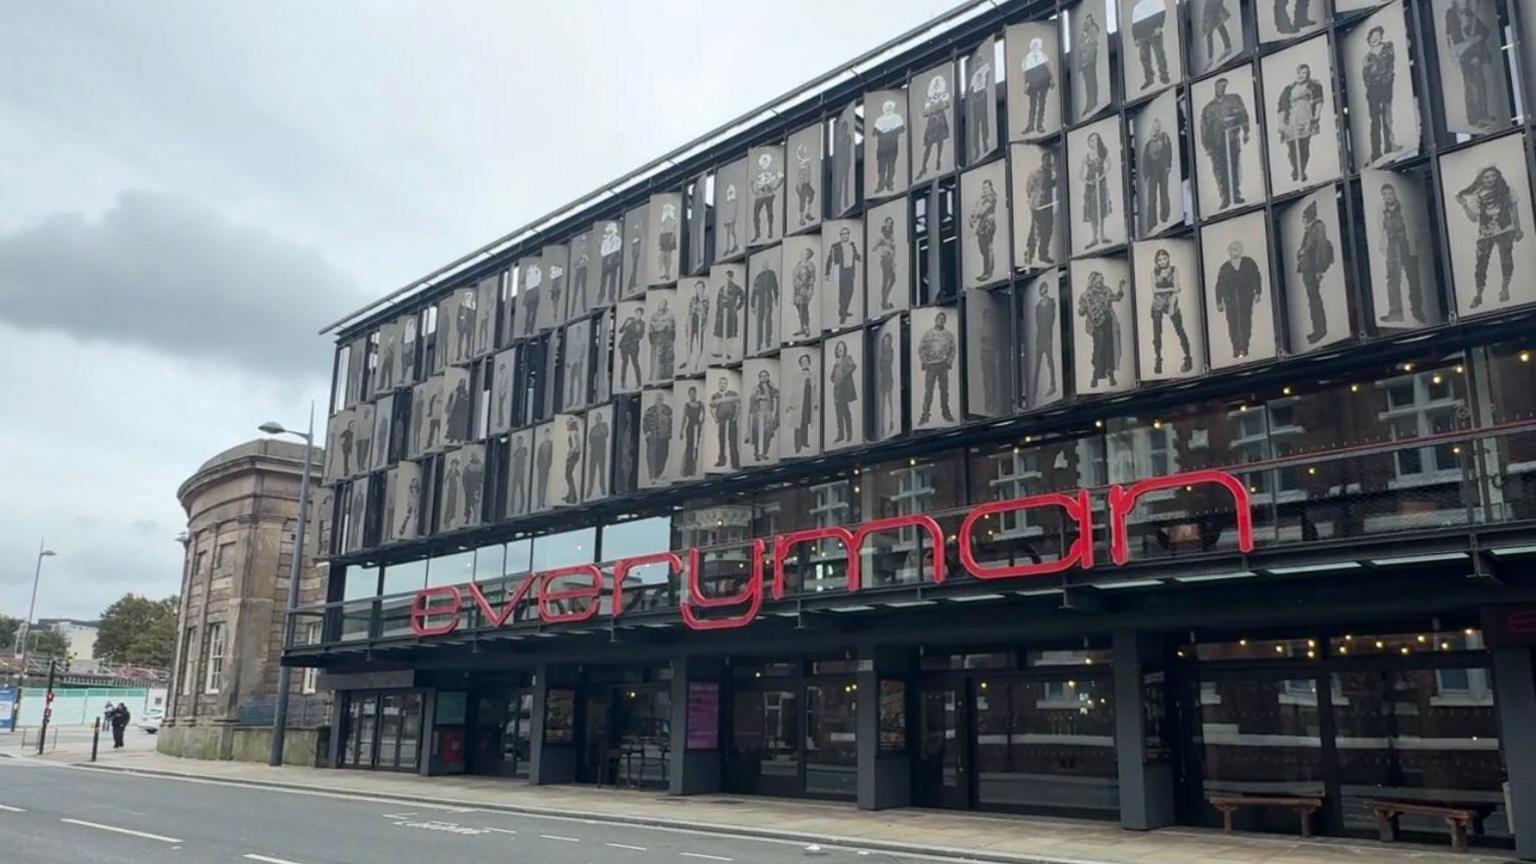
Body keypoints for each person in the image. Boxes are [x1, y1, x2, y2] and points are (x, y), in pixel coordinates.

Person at [1456, 165, 1523, 308]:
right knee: (1481, 265)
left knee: (1506, 260)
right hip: (1486, 234)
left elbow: (1514, 212)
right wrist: (1464, 206)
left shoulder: (1507, 190)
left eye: (1493, 175)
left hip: (1505, 230)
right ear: (1481, 179)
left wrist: (1518, 229)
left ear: (1497, 176)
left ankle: (1505, 289)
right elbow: (1474, 218)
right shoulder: (1477, 196)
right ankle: (1479, 295)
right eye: (1487, 177)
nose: (1490, 179)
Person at [1201, 77, 1251, 210]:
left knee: (1233, 168)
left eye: (1224, 86)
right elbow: (1204, 129)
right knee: (1220, 171)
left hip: (1232, 139)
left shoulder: (1234, 99)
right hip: (1217, 144)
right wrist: (1207, 147)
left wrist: (1246, 132)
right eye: (1219, 86)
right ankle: (1225, 198)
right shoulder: (1208, 108)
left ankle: (1235, 194)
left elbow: (1243, 115)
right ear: (1215, 88)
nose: (1222, 89)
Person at [1377, 182, 1424, 323]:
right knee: (1392, 279)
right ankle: (1396, 312)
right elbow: (1380, 228)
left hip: (1406, 244)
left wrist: (1415, 242)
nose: (1387, 196)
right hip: (1392, 245)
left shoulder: (1404, 207)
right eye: (1384, 194)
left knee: (1413, 278)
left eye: (1389, 193)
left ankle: (1417, 310)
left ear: (1394, 194)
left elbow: (1414, 225)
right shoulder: (1382, 210)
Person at [1447, 0, 1496, 129]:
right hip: (1464, 53)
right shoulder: (1451, 14)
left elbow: (1484, 30)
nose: (1463, 2)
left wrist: (1477, 37)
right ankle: (1475, 117)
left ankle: (1483, 113)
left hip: (1474, 52)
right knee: (1471, 85)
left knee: (1480, 83)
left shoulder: (1469, 13)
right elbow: (1452, 35)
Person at [1214, 240, 1263, 358]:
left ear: (1241, 250)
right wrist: (1219, 302)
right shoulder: (1224, 267)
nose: (1233, 252)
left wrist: (1257, 292)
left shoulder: (1248, 262)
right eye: (1230, 250)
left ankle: (1245, 346)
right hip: (1230, 300)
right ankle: (1236, 348)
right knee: (1232, 324)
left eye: (1235, 249)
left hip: (1245, 297)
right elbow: (1219, 285)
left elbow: (1256, 276)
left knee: (1245, 322)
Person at [1148, 248, 1194, 375]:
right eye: (1159, 259)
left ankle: (1188, 358)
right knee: (1157, 333)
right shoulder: (1153, 272)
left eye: (1164, 258)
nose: (1162, 261)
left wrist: (1172, 305)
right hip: (1157, 303)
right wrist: (1172, 288)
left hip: (1171, 301)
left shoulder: (1174, 270)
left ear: (1168, 258)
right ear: (1156, 261)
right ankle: (1158, 359)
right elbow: (1154, 290)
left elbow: (1177, 289)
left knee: (1180, 329)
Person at [1076, 271, 1126, 388]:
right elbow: (1081, 312)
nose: (1100, 282)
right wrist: (1082, 309)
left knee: (1109, 349)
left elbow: (1117, 298)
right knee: (1098, 350)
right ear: (1092, 281)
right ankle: (1095, 376)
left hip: (1107, 322)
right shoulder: (1086, 295)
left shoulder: (1106, 291)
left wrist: (1120, 287)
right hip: (1096, 325)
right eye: (1098, 280)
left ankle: (1111, 374)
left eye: (1101, 280)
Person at [1295, 201, 1336, 344]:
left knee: (1314, 300)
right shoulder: (1311, 229)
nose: (1302, 221)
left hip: (1312, 269)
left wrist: (1319, 269)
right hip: (1309, 269)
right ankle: (1318, 329)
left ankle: (1320, 330)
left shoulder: (1317, 228)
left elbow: (1320, 249)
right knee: (1313, 300)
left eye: (1304, 217)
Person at [1277, 64, 1324, 183]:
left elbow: (1319, 101)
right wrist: (1281, 123)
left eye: (1304, 73)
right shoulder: (1288, 89)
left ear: (1308, 74)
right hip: (1291, 121)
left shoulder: (1314, 86)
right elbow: (1281, 107)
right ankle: (1296, 169)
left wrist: (1317, 115)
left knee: (1304, 147)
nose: (1301, 75)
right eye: (1299, 72)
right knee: (1292, 148)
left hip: (1306, 119)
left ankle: (1301, 171)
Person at [1362, 26, 1396, 164]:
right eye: (1372, 36)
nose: (1374, 38)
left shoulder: (1388, 48)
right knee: (1375, 120)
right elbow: (1365, 76)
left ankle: (1389, 146)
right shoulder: (1367, 57)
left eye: (1377, 35)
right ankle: (1376, 151)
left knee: (1387, 117)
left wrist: (1386, 81)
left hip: (1385, 86)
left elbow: (1390, 67)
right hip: (1373, 90)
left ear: (1381, 36)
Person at [918, 312, 957, 424]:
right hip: (931, 366)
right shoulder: (928, 334)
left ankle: (946, 413)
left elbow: (953, 349)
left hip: (942, 365)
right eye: (939, 319)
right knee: (929, 391)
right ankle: (925, 414)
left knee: (944, 390)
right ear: (936, 320)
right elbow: (921, 348)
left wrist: (948, 362)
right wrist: (925, 361)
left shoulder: (949, 335)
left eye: (943, 319)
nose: (941, 321)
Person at [1024, 150, 1058, 266]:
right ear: (1043, 160)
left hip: (1049, 205)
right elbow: (1028, 188)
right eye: (1047, 160)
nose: (1049, 162)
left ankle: (1043, 255)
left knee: (1048, 230)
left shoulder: (1052, 173)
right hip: (1038, 206)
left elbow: (1054, 186)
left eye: (1051, 161)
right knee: (1035, 230)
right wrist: (1032, 201)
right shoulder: (1034, 173)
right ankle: (1029, 254)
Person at [915, 73, 952, 180]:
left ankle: (938, 160)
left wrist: (936, 106)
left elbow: (947, 104)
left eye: (937, 84)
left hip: (940, 119)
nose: (936, 86)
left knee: (940, 142)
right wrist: (935, 106)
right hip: (932, 121)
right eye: (934, 84)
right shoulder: (929, 98)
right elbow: (925, 112)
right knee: (929, 145)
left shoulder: (943, 94)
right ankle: (924, 166)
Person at [1141, 117, 1174, 233]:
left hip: (1163, 169)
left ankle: (1165, 216)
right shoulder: (1148, 144)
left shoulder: (1165, 138)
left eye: (1158, 126)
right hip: (1152, 171)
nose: (1156, 129)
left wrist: (1168, 165)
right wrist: (1147, 176)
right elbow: (1144, 161)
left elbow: (1169, 151)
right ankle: (1151, 222)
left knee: (1164, 193)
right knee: (1151, 198)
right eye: (1154, 127)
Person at [1080, 131, 1112, 249]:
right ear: (1089, 142)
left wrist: (1102, 177)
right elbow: (1080, 175)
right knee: (1093, 211)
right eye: (1092, 140)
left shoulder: (1103, 152)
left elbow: (1110, 165)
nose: (1094, 142)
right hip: (1091, 186)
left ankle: (1102, 235)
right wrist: (1088, 181)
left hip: (1101, 184)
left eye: (1096, 139)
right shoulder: (1086, 156)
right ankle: (1094, 237)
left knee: (1102, 209)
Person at [825, 226, 862, 324]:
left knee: (850, 291)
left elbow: (856, 255)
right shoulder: (835, 246)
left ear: (848, 235)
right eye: (843, 234)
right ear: (840, 236)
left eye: (846, 233)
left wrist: (863, 258)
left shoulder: (852, 245)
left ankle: (844, 310)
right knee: (842, 293)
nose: (845, 235)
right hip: (841, 271)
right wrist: (827, 273)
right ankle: (842, 314)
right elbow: (829, 259)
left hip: (850, 271)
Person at [1130, 0, 1170, 91]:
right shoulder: (1137, 7)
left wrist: (1159, 26)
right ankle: (1149, 79)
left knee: (1159, 55)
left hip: (1154, 33)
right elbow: (1134, 24)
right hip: (1142, 36)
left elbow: (1162, 12)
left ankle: (1164, 76)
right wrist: (1135, 38)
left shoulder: (1156, 1)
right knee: (1144, 59)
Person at [1021, 37, 1054, 135]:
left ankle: (1039, 125)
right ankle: (1030, 126)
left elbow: (1048, 68)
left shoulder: (1043, 56)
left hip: (1044, 81)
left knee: (1042, 103)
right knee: (1033, 105)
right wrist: (1026, 84)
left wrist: (1052, 79)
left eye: (1037, 44)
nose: (1035, 46)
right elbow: (1025, 72)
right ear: (1031, 46)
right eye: (1033, 44)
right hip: (1033, 83)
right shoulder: (1027, 58)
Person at [872, 100, 906, 194]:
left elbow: (902, 128)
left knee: (891, 167)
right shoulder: (880, 120)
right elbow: (874, 132)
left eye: (890, 107)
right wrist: (881, 131)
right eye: (887, 108)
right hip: (882, 148)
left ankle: (889, 184)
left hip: (892, 147)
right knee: (881, 168)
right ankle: (880, 185)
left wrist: (892, 131)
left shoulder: (897, 117)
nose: (888, 109)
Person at [829, 340, 858, 443]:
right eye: (838, 348)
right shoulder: (836, 362)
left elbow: (853, 367)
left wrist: (843, 374)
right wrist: (837, 377)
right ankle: (840, 435)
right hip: (837, 391)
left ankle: (849, 434)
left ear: (844, 349)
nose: (840, 349)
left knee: (846, 413)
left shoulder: (847, 359)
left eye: (842, 347)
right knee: (838, 414)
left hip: (845, 390)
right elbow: (831, 377)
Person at [750, 153, 784, 243]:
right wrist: (754, 191)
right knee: (755, 215)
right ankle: (757, 233)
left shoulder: (773, 170)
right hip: (760, 195)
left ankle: (770, 231)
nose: (765, 162)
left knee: (769, 213)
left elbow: (782, 177)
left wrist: (775, 187)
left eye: (766, 161)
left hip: (769, 194)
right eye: (763, 161)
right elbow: (751, 182)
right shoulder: (757, 171)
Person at [747, 369, 779, 460]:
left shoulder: (771, 388)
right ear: (759, 378)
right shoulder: (756, 388)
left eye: (765, 376)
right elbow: (752, 399)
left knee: (767, 434)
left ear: (768, 377)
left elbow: (776, 397)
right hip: (759, 413)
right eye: (762, 376)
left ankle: (764, 452)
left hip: (768, 413)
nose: (764, 377)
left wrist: (774, 413)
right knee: (758, 433)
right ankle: (757, 453)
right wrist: (759, 397)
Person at [709, 377, 741, 468]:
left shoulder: (732, 394)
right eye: (721, 383)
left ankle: (735, 463)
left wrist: (735, 417)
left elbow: (738, 405)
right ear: (718, 385)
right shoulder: (715, 396)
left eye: (724, 383)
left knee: (733, 440)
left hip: (731, 419)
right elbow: (712, 408)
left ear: (726, 384)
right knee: (722, 440)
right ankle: (722, 460)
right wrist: (715, 418)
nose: (722, 385)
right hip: (721, 420)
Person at [713, 269, 746, 355]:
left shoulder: (736, 287)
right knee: (719, 333)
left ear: (732, 277)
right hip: (721, 314)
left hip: (731, 314)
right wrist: (718, 313)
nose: (727, 278)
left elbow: (743, 297)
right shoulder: (722, 288)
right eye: (726, 276)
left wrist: (737, 307)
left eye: (729, 277)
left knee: (730, 333)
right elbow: (718, 301)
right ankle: (719, 352)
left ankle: (728, 353)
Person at [643, 392, 674, 481]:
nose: (659, 401)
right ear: (655, 400)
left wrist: (670, 432)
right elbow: (645, 421)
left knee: (663, 454)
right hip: (653, 435)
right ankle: (652, 476)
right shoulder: (650, 410)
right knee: (652, 456)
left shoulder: (668, 409)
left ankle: (659, 474)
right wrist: (647, 431)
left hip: (664, 435)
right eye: (658, 399)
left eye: (661, 399)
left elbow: (672, 421)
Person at [967, 53, 992, 161]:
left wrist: (985, 84)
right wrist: (973, 98)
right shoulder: (974, 76)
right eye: (976, 61)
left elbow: (988, 73)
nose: (978, 63)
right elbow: (970, 89)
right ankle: (976, 148)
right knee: (976, 125)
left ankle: (985, 141)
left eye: (979, 61)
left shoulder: (985, 68)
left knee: (984, 120)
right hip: (976, 96)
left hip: (982, 94)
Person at [1077, 13, 1102, 114]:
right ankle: (1089, 103)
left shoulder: (1093, 31)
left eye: (1088, 21)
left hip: (1089, 61)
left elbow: (1091, 47)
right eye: (1085, 21)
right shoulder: (1083, 35)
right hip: (1084, 63)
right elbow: (1079, 49)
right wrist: (1080, 64)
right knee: (1088, 83)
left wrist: (1086, 59)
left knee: (1091, 81)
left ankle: (1092, 102)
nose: (1086, 23)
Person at [751, 263, 778, 352]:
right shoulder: (758, 276)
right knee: (759, 322)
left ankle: (768, 342)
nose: (765, 266)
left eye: (766, 264)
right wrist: (752, 305)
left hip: (768, 297)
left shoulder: (771, 273)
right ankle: (758, 344)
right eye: (763, 265)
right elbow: (754, 291)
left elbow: (775, 285)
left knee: (768, 321)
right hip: (759, 299)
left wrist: (776, 298)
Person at [648, 297, 676, 381]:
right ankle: (656, 378)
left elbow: (673, 327)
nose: (662, 305)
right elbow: (651, 330)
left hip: (668, 338)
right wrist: (653, 340)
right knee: (657, 358)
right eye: (660, 303)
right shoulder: (654, 316)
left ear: (666, 305)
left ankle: (667, 376)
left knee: (669, 357)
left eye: (664, 304)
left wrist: (671, 338)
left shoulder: (670, 314)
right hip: (658, 338)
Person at [874, 216, 899, 310]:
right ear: (885, 223)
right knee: (886, 281)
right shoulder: (881, 235)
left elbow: (894, 248)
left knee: (893, 280)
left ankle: (884, 300)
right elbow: (874, 248)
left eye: (891, 223)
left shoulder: (891, 235)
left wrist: (894, 261)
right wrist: (882, 252)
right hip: (885, 260)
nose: (889, 224)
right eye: (888, 222)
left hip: (891, 260)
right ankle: (884, 303)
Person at [793, 353, 816, 454]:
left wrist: (815, 403)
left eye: (806, 361)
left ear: (809, 363)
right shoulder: (797, 376)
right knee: (798, 424)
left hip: (808, 401)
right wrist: (791, 404)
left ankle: (804, 442)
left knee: (805, 422)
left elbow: (815, 390)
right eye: (802, 362)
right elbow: (793, 390)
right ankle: (797, 446)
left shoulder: (812, 375)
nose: (804, 363)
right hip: (799, 402)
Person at [832, 110, 854, 214]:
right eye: (843, 129)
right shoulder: (840, 140)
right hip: (841, 164)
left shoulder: (847, 137)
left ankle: (846, 201)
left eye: (845, 129)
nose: (844, 130)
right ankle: (839, 204)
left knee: (846, 182)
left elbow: (846, 144)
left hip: (846, 162)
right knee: (840, 183)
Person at [979, 307, 1000, 413]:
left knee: (994, 380)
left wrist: (996, 357)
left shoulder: (993, 328)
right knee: (987, 381)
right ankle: (988, 405)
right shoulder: (982, 327)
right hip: (985, 354)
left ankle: (994, 403)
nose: (988, 318)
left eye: (989, 316)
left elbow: (996, 343)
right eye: (986, 316)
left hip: (991, 353)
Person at [1202, 0, 1234, 69]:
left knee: (1213, 29)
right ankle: (1227, 47)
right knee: (1218, 26)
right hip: (1210, 6)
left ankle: (1210, 58)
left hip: (1213, 5)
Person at [792, 247, 816, 337]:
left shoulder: (810, 265)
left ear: (808, 255)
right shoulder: (798, 264)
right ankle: (801, 326)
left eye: (805, 253)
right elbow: (794, 276)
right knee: (799, 307)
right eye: (802, 253)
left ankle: (806, 327)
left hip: (804, 289)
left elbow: (812, 278)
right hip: (797, 290)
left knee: (804, 308)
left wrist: (810, 289)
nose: (802, 255)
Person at [618, 306, 644, 388]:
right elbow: (620, 330)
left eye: (639, 313)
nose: (638, 314)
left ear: (642, 315)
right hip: (624, 344)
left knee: (635, 363)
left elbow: (641, 336)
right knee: (624, 363)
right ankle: (622, 383)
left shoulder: (642, 323)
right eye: (636, 313)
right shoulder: (629, 319)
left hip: (633, 345)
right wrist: (626, 325)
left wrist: (637, 331)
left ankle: (639, 383)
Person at [686, 280, 710, 370]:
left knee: (700, 343)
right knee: (690, 342)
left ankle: (698, 362)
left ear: (703, 289)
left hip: (702, 323)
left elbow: (707, 312)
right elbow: (689, 313)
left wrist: (705, 323)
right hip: (693, 323)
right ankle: (690, 361)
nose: (699, 289)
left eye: (700, 287)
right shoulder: (692, 299)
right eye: (697, 287)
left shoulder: (706, 299)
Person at [681, 386, 705, 475]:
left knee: (695, 446)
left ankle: (693, 469)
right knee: (689, 446)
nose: (692, 395)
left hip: (697, 427)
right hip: (690, 427)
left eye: (693, 393)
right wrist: (681, 430)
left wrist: (701, 423)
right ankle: (687, 469)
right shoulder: (687, 405)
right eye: (690, 394)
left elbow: (704, 414)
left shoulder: (700, 403)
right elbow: (684, 417)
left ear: (696, 393)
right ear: (689, 395)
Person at [586, 411, 609, 498]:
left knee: (601, 470)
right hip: (593, 452)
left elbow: (605, 434)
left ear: (601, 418)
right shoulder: (593, 428)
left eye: (598, 418)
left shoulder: (604, 425)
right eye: (596, 418)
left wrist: (599, 428)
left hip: (601, 451)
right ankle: (590, 489)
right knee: (592, 471)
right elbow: (590, 439)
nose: (597, 419)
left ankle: (603, 488)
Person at [598, 220, 623, 304]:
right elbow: (602, 252)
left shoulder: (617, 240)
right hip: (606, 259)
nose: (609, 232)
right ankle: (601, 296)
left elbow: (617, 248)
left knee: (613, 279)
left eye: (611, 231)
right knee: (603, 279)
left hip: (613, 259)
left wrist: (611, 254)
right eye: (609, 231)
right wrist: (607, 255)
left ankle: (611, 296)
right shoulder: (605, 241)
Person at [793, 143, 816, 226]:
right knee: (802, 200)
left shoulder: (807, 161)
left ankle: (808, 213)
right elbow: (799, 175)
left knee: (812, 194)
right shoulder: (800, 162)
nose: (803, 153)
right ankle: (801, 218)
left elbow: (809, 173)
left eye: (803, 151)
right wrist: (799, 186)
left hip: (806, 183)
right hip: (801, 184)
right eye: (801, 151)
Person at [879, 331, 897, 434]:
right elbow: (881, 366)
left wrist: (884, 364)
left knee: (889, 400)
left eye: (888, 341)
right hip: (883, 378)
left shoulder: (890, 351)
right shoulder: (881, 352)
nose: (886, 342)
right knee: (883, 402)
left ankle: (891, 422)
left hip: (889, 377)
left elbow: (889, 362)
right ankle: (882, 425)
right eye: (885, 341)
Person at [562, 417, 582, 504]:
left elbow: (574, 446)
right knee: (569, 475)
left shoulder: (573, 433)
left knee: (568, 475)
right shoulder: (575, 432)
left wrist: (569, 455)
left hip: (573, 456)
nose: (567, 425)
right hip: (575, 455)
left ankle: (572, 497)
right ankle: (571, 495)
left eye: (568, 423)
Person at [657, 203, 678, 282]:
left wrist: (672, 238)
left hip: (669, 236)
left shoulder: (672, 218)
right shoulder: (663, 218)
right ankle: (666, 272)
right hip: (664, 237)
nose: (666, 211)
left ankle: (668, 273)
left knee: (668, 256)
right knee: (664, 256)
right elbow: (660, 229)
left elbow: (674, 229)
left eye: (667, 209)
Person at [509, 435, 529, 515]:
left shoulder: (524, 450)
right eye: (518, 442)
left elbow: (525, 460)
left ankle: (522, 507)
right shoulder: (516, 452)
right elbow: (514, 462)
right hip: (516, 473)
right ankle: (512, 509)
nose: (519, 443)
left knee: (521, 490)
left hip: (521, 473)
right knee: (513, 491)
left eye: (520, 441)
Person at [534, 427, 554, 510]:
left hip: (546, 466)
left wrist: (549, 464)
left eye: (548, 434)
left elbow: (551, 455)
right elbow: (538, 457)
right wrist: (538, 465)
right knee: (540, 484)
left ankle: (542, 501)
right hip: (541, 467)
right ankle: (539, 501)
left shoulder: (551, 444)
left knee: (544, 484)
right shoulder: (541, 445)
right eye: (546, 434)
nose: (547, 436)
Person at [569, 244, 590, 319]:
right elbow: (574, 263)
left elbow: (588, 261)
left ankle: (584, 308)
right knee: (575, 291)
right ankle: (572, 311)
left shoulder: (587, 252)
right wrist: (580, 261)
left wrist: (584, 259)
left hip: (584, 269)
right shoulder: (577, 253)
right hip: (578, 270)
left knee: (583, 290)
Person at [463, 451, 484, 522]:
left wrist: (481, 483)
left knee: (476, 502)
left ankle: (476, 516)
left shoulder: (481, 466)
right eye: (473, 456)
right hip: (469, 487)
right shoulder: (468, 466)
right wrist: (465, 486)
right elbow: (465, 477)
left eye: (475, 455)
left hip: (477, 486)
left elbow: (483, 475)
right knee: (468, 503)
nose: (474, 457)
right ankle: (467, 517)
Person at [522, 264, 542, 335]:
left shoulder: (538, 271)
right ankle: (527, 328)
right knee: (530, 313)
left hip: (533, 291)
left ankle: (529, 329)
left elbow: (539, 279)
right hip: (530, 292)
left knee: (532, 313)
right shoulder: (529, 272)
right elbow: (522, 281)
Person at [721, 182, 740, 254]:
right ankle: (727, 248)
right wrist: (725, 221)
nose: (729, 192)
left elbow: (734, 211)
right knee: (728, 234)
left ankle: (735, 245)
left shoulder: (734, 201)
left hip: (731, 219)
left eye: (731, 191)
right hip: (728, 220)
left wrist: (733, 219)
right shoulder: (727, 201)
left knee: (732, 232)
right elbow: (726, 212)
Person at [443, 455, 461, 525]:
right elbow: (446, 478)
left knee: (453, 502)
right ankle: (447, 519)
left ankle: (452, 516)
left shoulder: (457, 471)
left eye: (456, 465)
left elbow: (459, 478)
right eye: (453, 464)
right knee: (449, 503)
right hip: (450, 489)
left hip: (455, 489)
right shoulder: (450, 471)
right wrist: (446, 482)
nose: (454, 466)